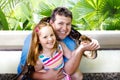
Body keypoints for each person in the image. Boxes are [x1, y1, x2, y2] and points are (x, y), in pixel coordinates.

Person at [17, 7, 100, 80]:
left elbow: (69, 70)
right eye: (60, 23)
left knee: (77, 75)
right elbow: (23, 71)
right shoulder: (33, 39)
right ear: (51, 23)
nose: (64, 28)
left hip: (59, 72)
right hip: (37, 74)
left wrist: (89, 43)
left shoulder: (68, 41)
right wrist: (45, 77)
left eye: (68, 24)